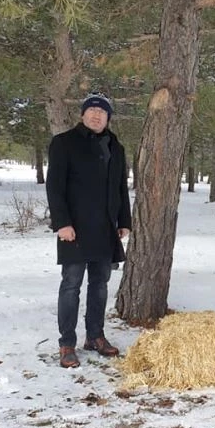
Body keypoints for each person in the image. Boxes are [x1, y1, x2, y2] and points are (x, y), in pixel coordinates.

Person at [46, 91, 131, 367]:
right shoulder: (64, 143)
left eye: (102, 112)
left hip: (105, 229)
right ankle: (67, 343)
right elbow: (55, 186)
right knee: (71, 285)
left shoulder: (115, 146)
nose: (96, 115)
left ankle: (95, 336)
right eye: (92, 110)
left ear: (108, 117)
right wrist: (62, 223)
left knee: (100, 285)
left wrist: (124, 221)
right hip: (75, 228)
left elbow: (121, 188)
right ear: (82, 114)